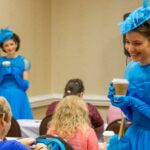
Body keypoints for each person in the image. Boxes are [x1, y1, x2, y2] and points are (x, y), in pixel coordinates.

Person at [108, 0, 150, 149]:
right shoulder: (131, 69)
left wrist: (133, 101)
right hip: (134, 136)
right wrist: (120, 102)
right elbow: (132, 116)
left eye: (137, 43)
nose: (130, 48)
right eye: (127, 42)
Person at [0, 27, 33, 119]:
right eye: (6, 45)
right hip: (2, 97)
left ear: (16, 44)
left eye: (11, 44)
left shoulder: (24, 62)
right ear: (3, 47)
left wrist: (15, 74)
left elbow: (25, 86)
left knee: (17, 125)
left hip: (18, 98)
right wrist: (2, 74)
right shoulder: (0, 62)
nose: (10, 47)